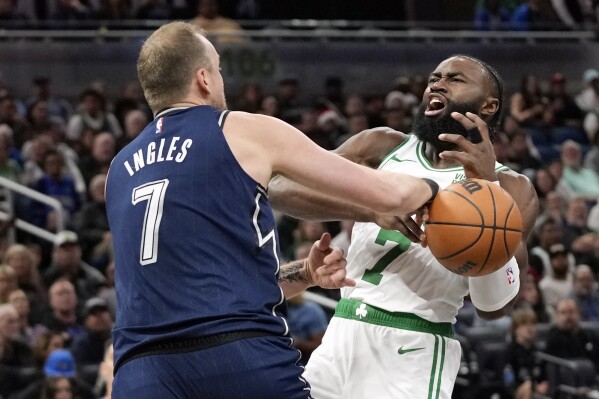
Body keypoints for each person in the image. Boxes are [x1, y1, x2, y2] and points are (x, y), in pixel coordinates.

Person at [104, 22, 438, 399]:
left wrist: (307, 272)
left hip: (141, 371)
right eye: (218, 69)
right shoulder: (241, 130)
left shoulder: (118, 170)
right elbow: (392, 195)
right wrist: (454, 183)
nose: (221, 80)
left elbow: (196, 294)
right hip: (236, 356)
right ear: (203, 79)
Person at [269, 55, 539, 399]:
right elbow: (280, 188)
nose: (437, 84)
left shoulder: (512, 187)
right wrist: (370, 210)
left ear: (488, 106)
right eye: (434, 78)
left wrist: (486, 188)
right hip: (341, 333)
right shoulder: (381, 147)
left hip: (413, 347)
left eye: (455, 79)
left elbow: (494, 307)